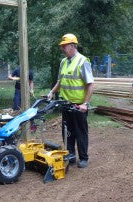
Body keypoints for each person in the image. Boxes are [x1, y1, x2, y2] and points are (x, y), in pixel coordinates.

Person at [47, 33, 94, 168]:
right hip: (66, 104)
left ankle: (83, 158)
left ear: (72, 46)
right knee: (67, 132)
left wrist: (85, 104)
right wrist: (52, 92)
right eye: (62, 46)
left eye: (64, 46)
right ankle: (71, 156)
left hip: (79, 106)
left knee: (80, 132)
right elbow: (60, 81)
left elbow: (91, 84)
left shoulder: (82, 61)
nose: (62, 48)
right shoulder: (63, 62)